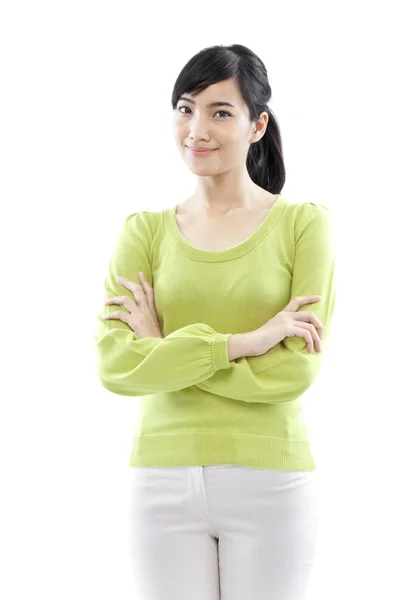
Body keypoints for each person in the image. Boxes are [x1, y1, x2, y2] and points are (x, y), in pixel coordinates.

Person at [94, 43, 336, 600]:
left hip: (271, 480)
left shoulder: (304, 226)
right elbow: (114, 365)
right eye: (186, 107)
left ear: (257, 125)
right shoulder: (144, 232)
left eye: (220, 111)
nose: (196, 127)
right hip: (160, 477)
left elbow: (292, 374)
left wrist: (163, 349)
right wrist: (245, 342)